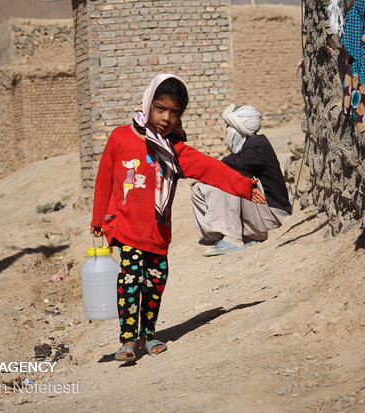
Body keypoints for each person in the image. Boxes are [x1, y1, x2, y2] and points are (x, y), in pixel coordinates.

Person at [90, 74, 266, 362]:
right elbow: (104, 179)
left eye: (174, 112)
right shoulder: (120, 137)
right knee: (131, 278)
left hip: (158, 231)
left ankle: (148, 333)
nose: (166, 118)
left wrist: (246, 186)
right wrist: (99, 219)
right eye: (160, 108)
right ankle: (127, 340)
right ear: (148, 103)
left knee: (156, 281)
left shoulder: (175, 149)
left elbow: (211, 168)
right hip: (126, 226)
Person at [191, 104, 292, 257]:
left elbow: (237, 164)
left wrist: (216, 169)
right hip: (258, 216)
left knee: (235, 175)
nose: (226, 132)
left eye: (228, 127)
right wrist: (206, 178)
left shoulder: (257, 144)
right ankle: (219, 233)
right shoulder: (250, 146)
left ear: (236, 128)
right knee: (200, 188)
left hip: (272, 216)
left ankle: (233, 238)